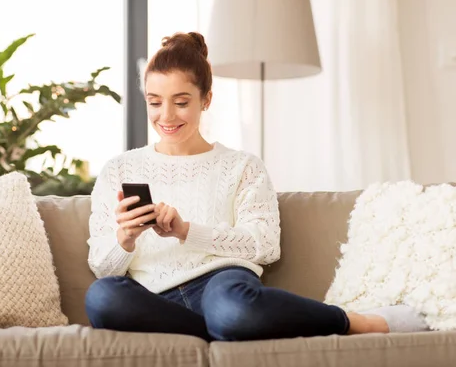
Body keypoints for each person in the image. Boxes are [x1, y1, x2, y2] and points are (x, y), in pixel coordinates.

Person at [84, 32, 427, 342]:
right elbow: (103, 266)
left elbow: (264, 246)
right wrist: (125, 238)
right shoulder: (119, 168)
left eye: (182, 101)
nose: (166, 116)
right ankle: (225, 330)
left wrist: (186, 230)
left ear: (206, 99)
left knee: (233, 309)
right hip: (152, 297)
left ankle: (356, 322)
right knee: (103, 296)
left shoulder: (242, 166)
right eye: (155, 102)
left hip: (222, 286)